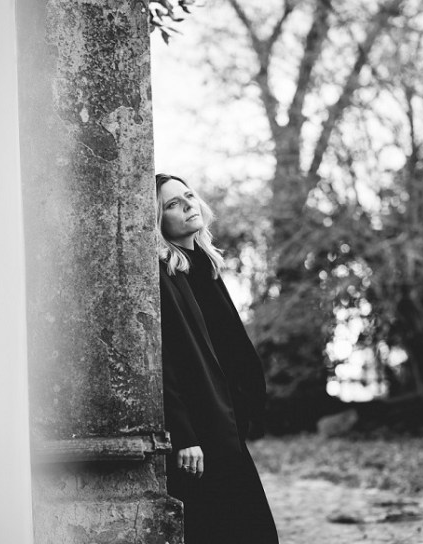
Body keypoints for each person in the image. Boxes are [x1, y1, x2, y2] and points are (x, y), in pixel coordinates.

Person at [155, 173, 279, 544]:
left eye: (188, 196)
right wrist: (184, 436)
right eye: (172, 204)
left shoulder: (204, 265)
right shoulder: (165, 275)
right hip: (200, 436)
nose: (187, 205)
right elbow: (166, 361)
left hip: (226, 424)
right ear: (157, 220)